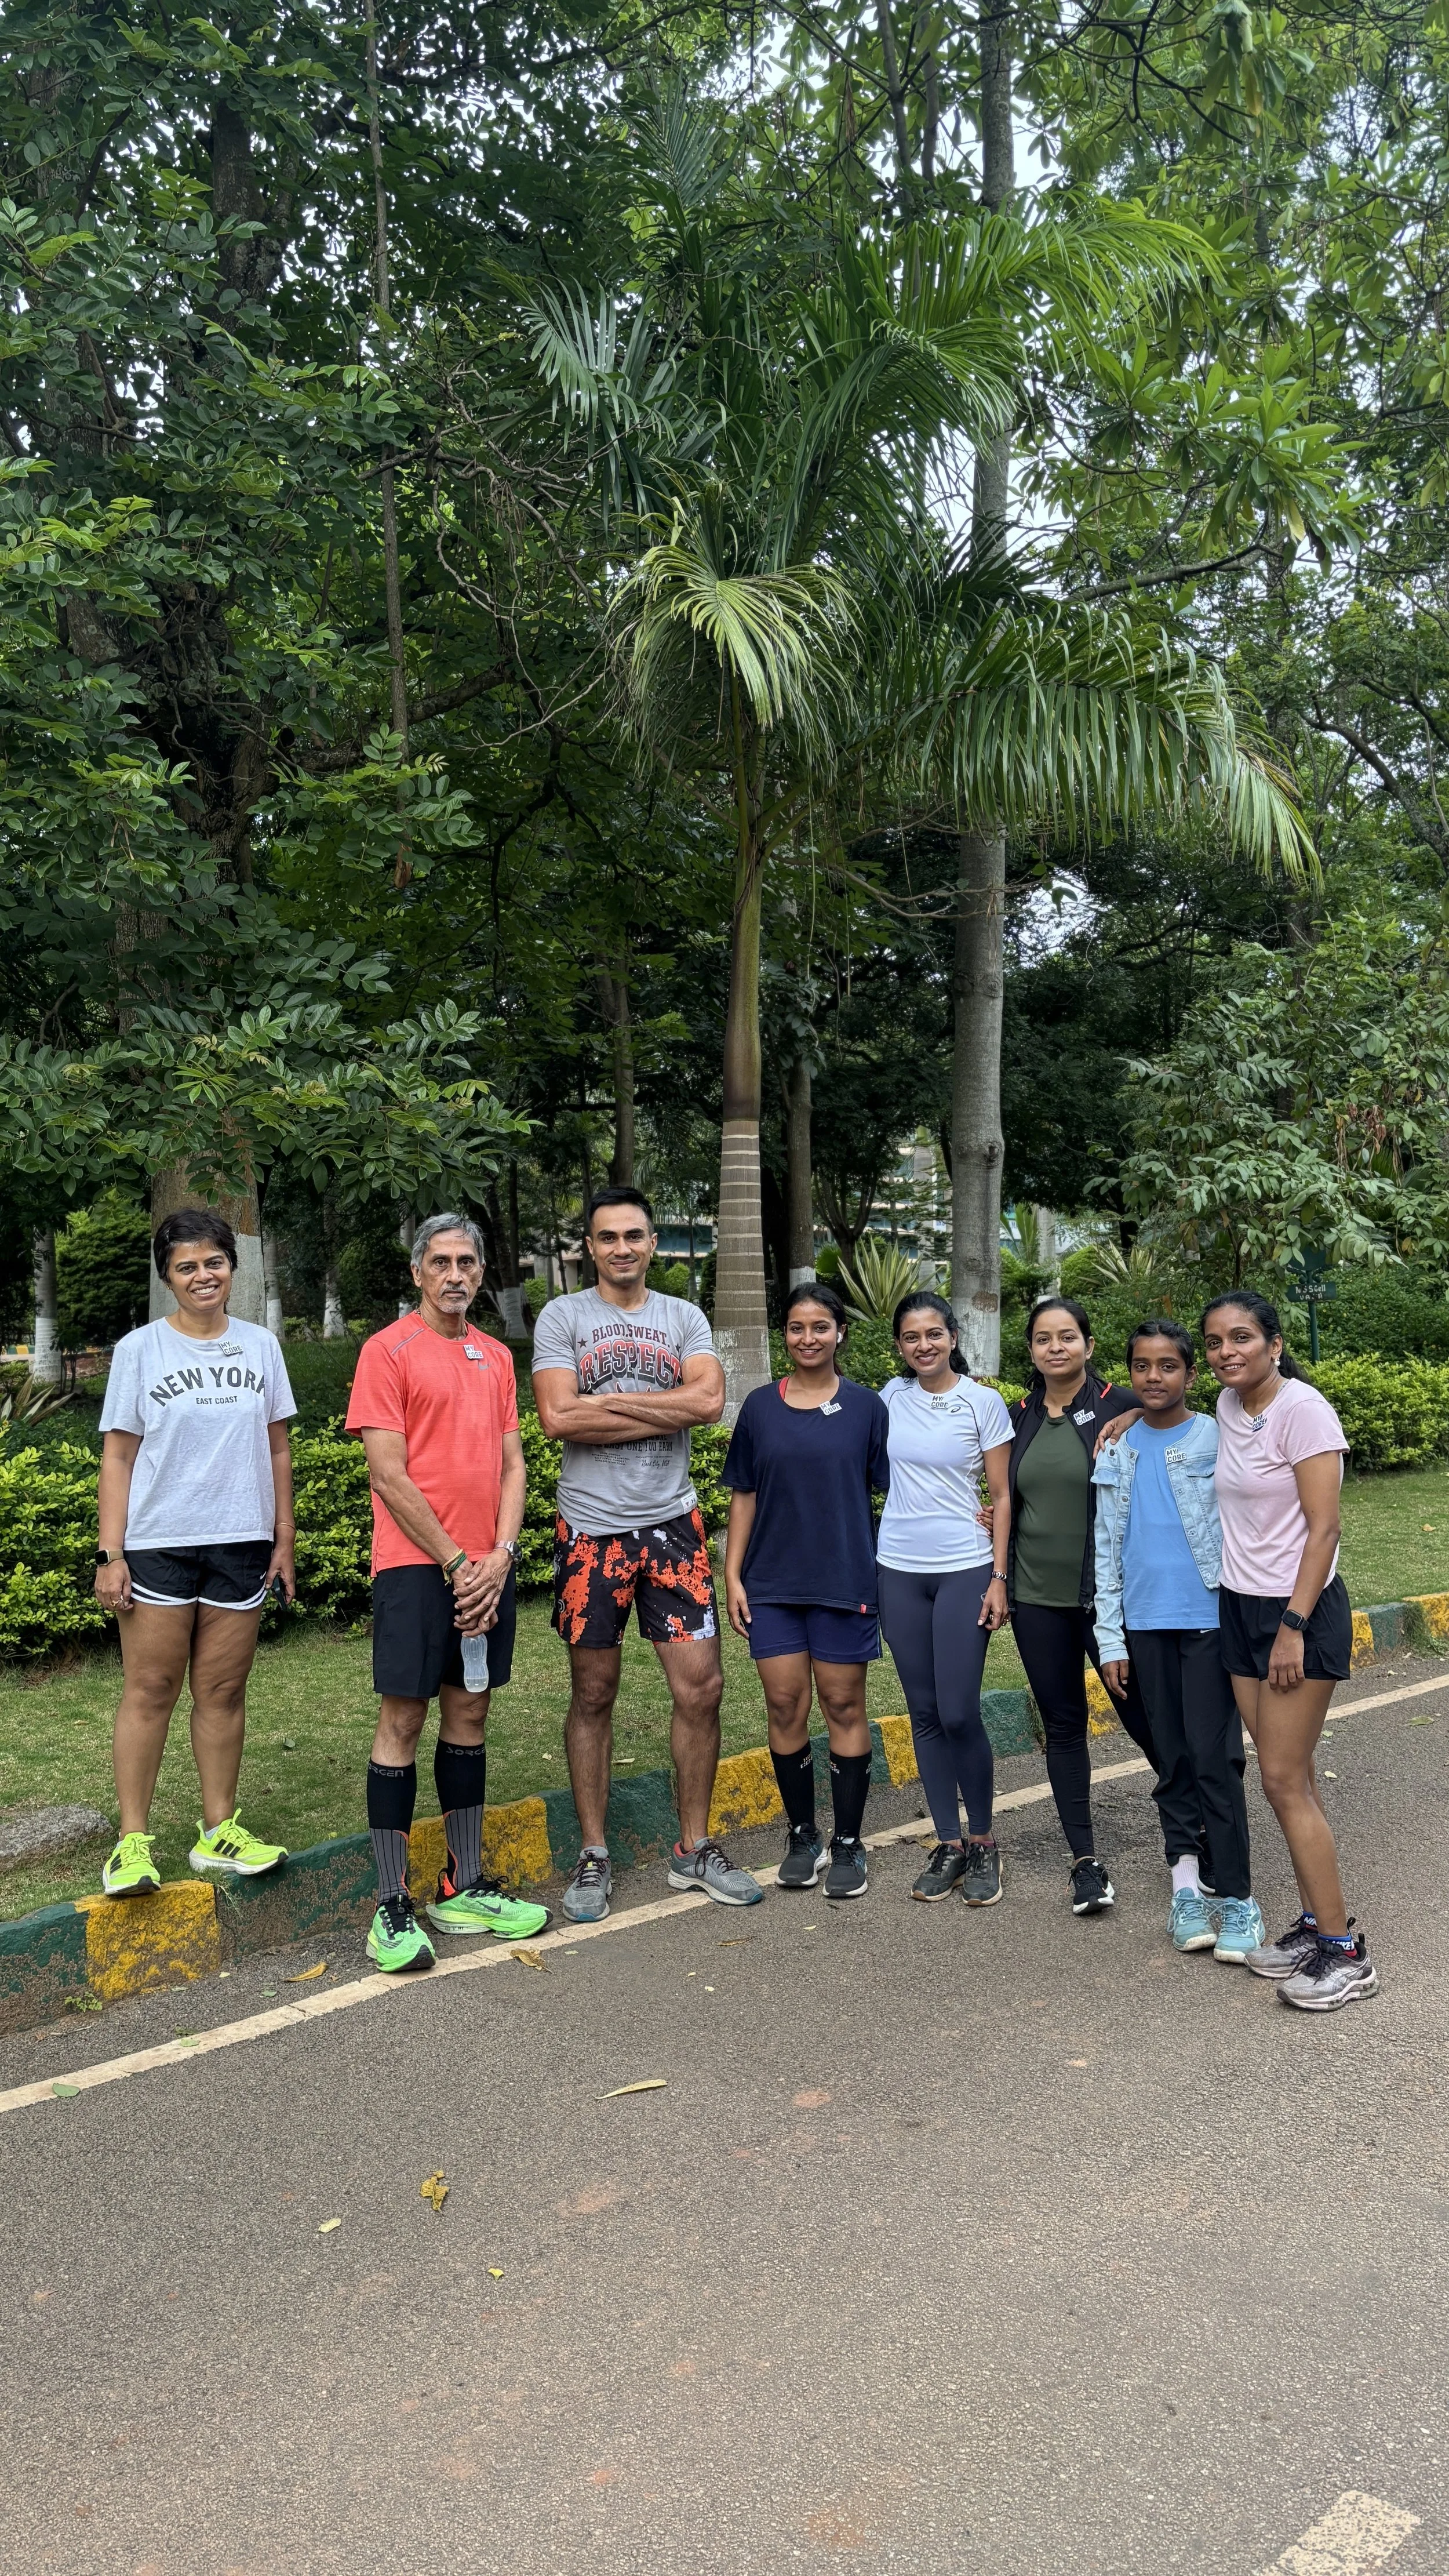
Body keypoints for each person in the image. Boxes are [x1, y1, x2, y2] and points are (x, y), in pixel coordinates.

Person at [532, 1187, 761, 1920]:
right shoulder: (562, 1317)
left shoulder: (682, 1317)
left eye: (634, 1235)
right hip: (591, 1532)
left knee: (702, 1689)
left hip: (673, 1529)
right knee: (593, 1693)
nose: (622, 1248)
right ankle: (594, 1854)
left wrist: (605, 1407)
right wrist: (654, 1404)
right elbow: (556, 1418)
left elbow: (706, 1405)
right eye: (607, 1237)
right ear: (589, 1248)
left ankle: (693, 1849)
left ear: (653, 1243)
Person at [345, 1214, 549, 1973]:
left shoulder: (495, 1355)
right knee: (403, 1716)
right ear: (417, 1272)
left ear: (480, 1270)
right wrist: (460, 1561)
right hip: (414, 1566)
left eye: (467, 1260)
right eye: (441, 1261)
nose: (456, 1273)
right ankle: (392, 1903)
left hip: (483, 1568)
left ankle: (462, 1882)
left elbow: (514, 1464)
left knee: (470, 1709)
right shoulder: (386, 1351)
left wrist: (499, 1556)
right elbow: (389, 1474)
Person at [94, 1207, 296, 1897]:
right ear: (168, 1277)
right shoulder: (140, 1351)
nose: (202, 1275)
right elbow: (118, 1457)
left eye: (214, 1262)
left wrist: (284, 1539)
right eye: (186, 1266)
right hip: (158, 1544)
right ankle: (132, 1844)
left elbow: (276, 1447)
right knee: (151, 1689)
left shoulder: (261, 1347)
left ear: (231, 1269)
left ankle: (218, 1833)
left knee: (222, 1690)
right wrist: (109, 1553)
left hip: (241, 1541)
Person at [1201, 1291, 1374, 2011]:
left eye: (1241, 1338)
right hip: (1240, 1605)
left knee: (1281, 1780)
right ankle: (1314, 1925)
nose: (1226, 1352)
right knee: (1291, 1774)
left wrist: (1294, 1625)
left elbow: (1324, 1529)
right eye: (1214, 1342)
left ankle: (1345, 1954)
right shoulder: (1227, 1407)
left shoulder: (1304, 1409)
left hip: (1293, 1613)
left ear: (1274, 1344)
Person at [1093, 1319, 1265, 1964]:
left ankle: (1237, 1897)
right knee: (1171, 1761)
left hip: (1210, 1621)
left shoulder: (1217, 1435)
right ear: (1129, 1375)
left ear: (1192, 1375)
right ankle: (1186, 1890)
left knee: (1215, 1759)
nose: (1155, 1378)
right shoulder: (1115, 1449)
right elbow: (1105, 1549)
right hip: (1142, 1628)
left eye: (1169, 1367)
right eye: (1142, 1367)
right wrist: (1110, 1639)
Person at [723, 1281, 890, 1900]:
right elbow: (744, 1493)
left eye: (820, 1326)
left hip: (844, 1581)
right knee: (785, 1706)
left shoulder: (868, 1408)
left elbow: (890, 1494)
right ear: (783, 1335)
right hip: (771, 1585)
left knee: (844, 1707)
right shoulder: (760, 1408)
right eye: (796, 1327)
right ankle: (802, 1835)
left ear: (840, 1332)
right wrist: (733, 1574)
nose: (808, 1338)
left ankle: (848, 1842)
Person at [1004, 1296, 1157, 1915]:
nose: (1056, 1348)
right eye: (1043, 1339)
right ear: (1033, 1351)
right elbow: (1007, 1493)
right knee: (1062, 1725)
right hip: (1037, 1596)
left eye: (1068, 1337)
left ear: (1089, 1346)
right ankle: (1084, 1863)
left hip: (1109, 1599)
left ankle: (1196, 1831)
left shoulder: (1125, 1405)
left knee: (1142, 1712)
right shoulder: (1017, 1416)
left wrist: (1138, 1415)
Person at [875, 1292, 1014, 1905]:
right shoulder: (887, 1398)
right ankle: (950, 1843)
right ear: (900, 1346)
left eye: (934, 1333)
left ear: (954, 1337)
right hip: (897, 1569)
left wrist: (999, 1577)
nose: (923, 1345)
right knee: (924, 1713)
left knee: (959, 1711)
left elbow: (1002, 1494)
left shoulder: (982, 1401)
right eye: (911, 1337)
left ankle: (983, 1841)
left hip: (963, 1566)